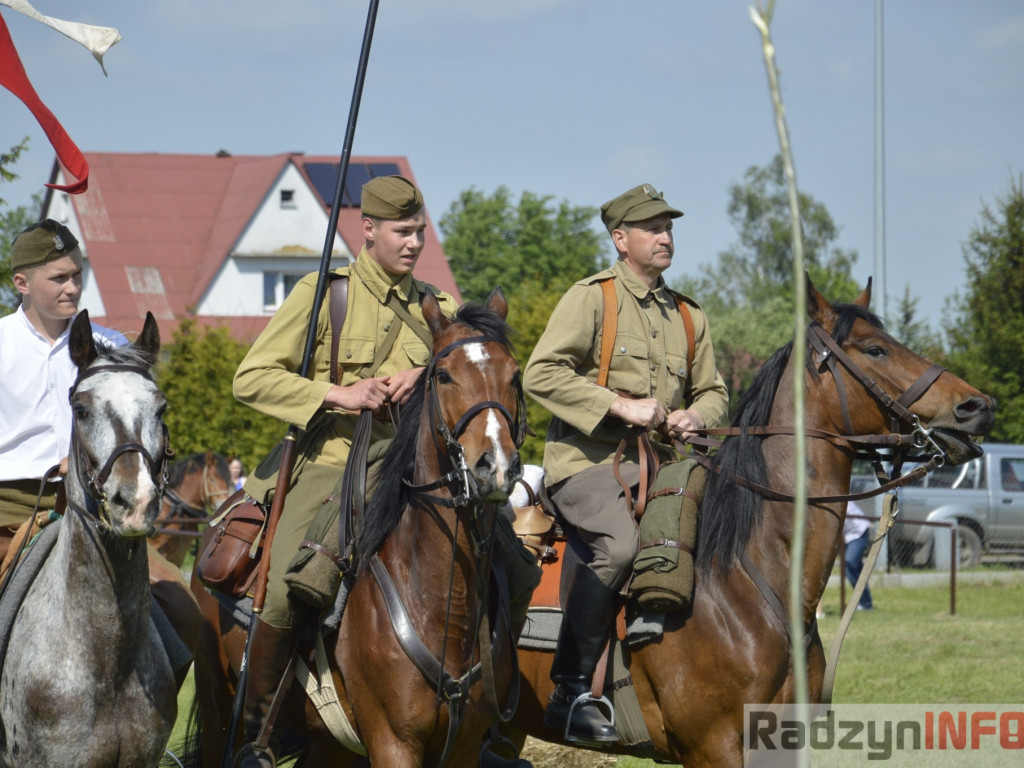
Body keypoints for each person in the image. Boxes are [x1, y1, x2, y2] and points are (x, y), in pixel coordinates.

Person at [231, 175, 459, 768]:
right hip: (335, 463)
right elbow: (251, 379)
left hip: (416, 471)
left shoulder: (439, 309)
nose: (414, 243)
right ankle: (263, 731)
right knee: (283, 590)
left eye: (419, 232)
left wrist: (424, 375)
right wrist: (339, 393)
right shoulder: (322, 295)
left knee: (506, 561)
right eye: (402, 232)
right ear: (369, 230)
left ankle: (495, 719)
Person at [523, 183, 729, 744]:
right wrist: (618, 404)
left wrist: (695, 415)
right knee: (618, 547)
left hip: (666, 465)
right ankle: (570, 692)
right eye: (652, 229)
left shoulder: (690, 315)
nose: (665, 237)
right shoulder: (592, 298)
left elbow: (715, 392)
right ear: (620, 239)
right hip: (588, 462)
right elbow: (540, 374)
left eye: (668, 228)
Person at [0, 219, 127, 564]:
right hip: (8, 507)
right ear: (22, 283)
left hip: (94, 502)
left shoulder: (111, 344)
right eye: (58, 278)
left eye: (77, 275)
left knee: (176, 597)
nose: (72, 288)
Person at [843, 501, 874, 611]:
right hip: (851, 535)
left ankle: (865, 602)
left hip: (859, 533)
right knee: (857, 571)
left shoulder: (835, 495)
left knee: (849, 565)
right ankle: (866, 602)